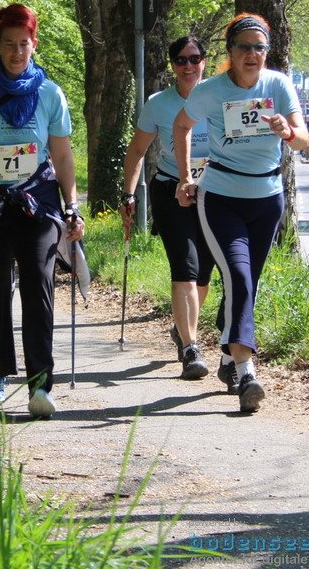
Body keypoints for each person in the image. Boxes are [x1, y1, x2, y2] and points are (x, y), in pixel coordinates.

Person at [0, 3, 84, 419]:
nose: (16, 52)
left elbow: (61, 155)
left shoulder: (49, 93)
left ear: (33, 45)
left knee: (39, 285)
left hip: (37, 200)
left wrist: (72, 205)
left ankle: (40, 383)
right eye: (8, 44)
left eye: (23, 44)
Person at [173, 13, 309, 413]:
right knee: (239, 277)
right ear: (230, 53)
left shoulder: (279, 84)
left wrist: (286, 130)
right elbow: (182, 126)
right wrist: (185, 177)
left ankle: (228, 358)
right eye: (244, 47)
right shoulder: (211, 90)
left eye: (260, 47)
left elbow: (302, 141)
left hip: (267, 197)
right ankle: (247, 372)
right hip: (221, 197)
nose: (252, 55)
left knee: (248, 284)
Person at [120, 37, 215, 380]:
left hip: (214, 191)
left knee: (204, 272)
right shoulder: (159, 103)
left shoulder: (220, 97)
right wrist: (128, 195)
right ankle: (191, 348)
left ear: (205, 60)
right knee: (185, 266)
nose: (188, 66)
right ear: (172, 65)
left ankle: (181, 326)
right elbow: (136, 152)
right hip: (170, 190)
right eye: (180, 60)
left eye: (194, 59)